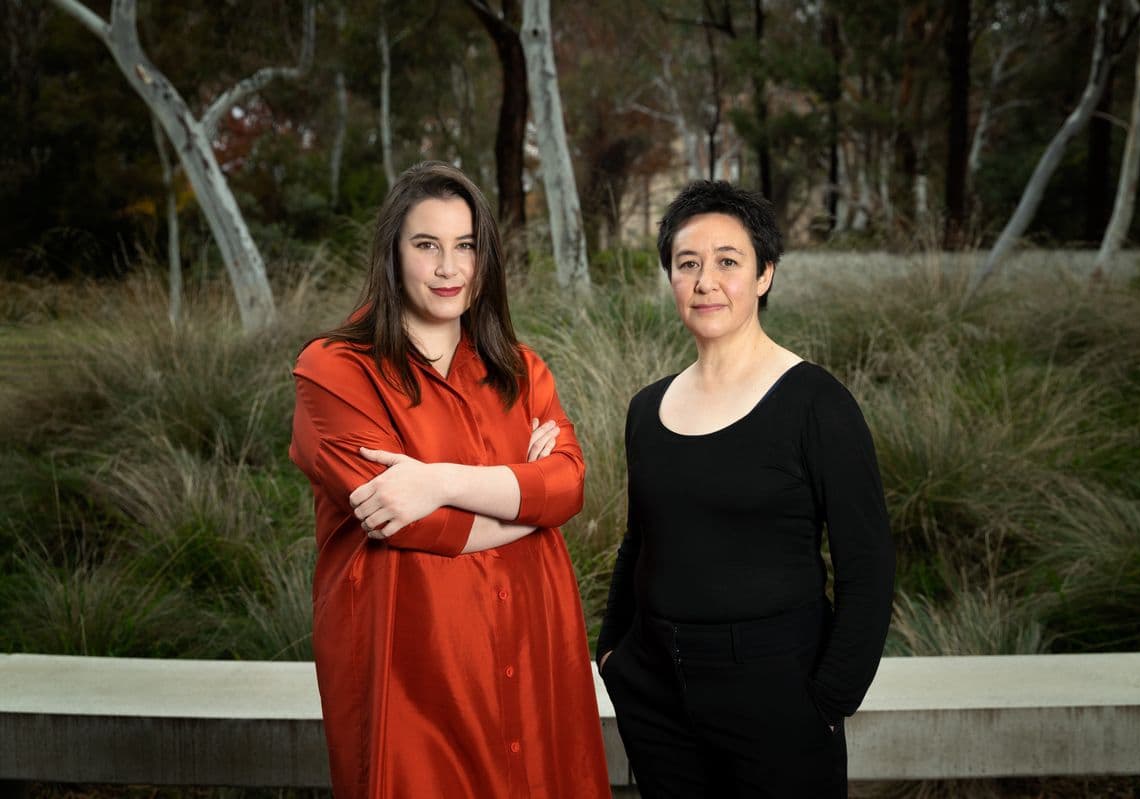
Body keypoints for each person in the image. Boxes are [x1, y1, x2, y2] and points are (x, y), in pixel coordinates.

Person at [289, 161, 609, 798]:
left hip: (533, 648)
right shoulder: (335, 371)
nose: (448, 268)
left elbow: (569, 485)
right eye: (426, 245)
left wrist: (436, 480)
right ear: (392, 253)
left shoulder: (520, 371)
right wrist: (525, 499)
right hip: (415, 671)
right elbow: (404, 521)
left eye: (465, 246)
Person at [596, 181, 895, 798]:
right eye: (688, 263)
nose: (706, 281)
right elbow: (640, 541)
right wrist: (612, 655)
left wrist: (828, 699)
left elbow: (868, 567)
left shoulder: (817, 404)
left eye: (727, 261)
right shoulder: (647, 408)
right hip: (657, 694)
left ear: (764, 276)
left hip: (778, 694)